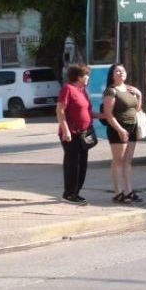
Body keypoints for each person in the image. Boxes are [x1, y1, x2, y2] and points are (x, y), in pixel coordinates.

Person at [102, 63, 143, 204]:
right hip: (118, 128)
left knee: (128, 161)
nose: (121, 73)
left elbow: (137, 109)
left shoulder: (130, 89)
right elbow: (108, 114)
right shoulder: (111, 91)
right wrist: (120, 130)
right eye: (117, 71)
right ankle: (118, 193)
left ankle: (129, 191)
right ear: (112, 75)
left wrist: (139, 95)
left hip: (132, 127)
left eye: (123, 71)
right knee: (118, 161)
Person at [56, 64, 94, 205]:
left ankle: (76, 192)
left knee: (82, 164)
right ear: (79, 77)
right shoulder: (68, 89)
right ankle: (69, 194)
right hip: (71, 133)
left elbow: (86, 112)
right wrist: (65, 130)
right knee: (73, 164)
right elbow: (60, 111)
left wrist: (104, 116)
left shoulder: (83, 90)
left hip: (84, 133)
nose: (88, 77)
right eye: (86, 75)